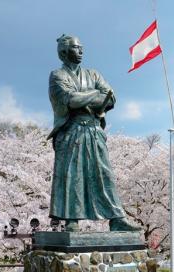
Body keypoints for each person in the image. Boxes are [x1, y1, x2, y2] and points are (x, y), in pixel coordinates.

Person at [48, 34, 140, 232]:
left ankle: (116, 218)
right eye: (75, 48)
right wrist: (94, 95)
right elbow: (70, 100)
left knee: (104, 174)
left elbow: (111, 98)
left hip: (94, 130)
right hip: (71, 131)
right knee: (73, 175)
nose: (81, 51)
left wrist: (87, 97)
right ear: (64, 52)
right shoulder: (57, 76)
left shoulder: (93, 74)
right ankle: (71, 219)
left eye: (81, 47)